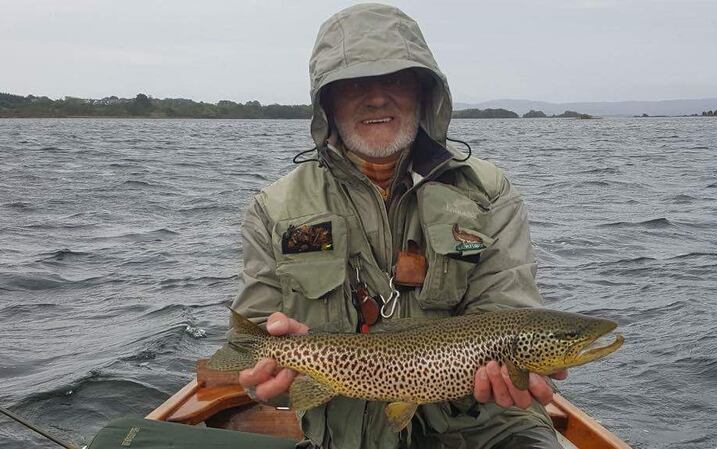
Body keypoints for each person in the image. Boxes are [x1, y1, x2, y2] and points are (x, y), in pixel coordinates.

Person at [230, 4, 566, 448]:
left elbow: (508, 310)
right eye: (353, 84)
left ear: (424, 92)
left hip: (488, 428)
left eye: (394, 79)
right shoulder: (273, 210)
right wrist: (263, 379)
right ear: (326, 102)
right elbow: (248, 343)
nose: (375, 97)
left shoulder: (488, 192)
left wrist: (506, 372)